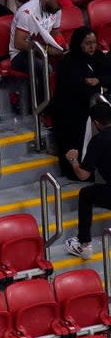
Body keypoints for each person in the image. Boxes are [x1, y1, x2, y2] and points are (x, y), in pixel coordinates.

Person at [52, 27, 111, 180]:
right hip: (72, 109)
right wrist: (98, 84)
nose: (92, 47)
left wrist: (99, 81)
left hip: (95, 104)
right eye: (87, 43)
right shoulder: (68, 62)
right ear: (79, 44)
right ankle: (79, 170)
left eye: (94, 43)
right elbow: (75, 86)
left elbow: (107, 75)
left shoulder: (98, 56)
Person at [8, 0, 66, 111]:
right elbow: (19, 43)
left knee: (68, 61)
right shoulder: (27, 12)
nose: (60, 8)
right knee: (45, 68)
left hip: (42, 50)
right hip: (19, 55)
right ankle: (42, 109)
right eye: (59, 3)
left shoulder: (56, 9)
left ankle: (61, 103)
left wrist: (63, 46)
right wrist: (46, 50)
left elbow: (55, 32)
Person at [65, 103, 111, 256]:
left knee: (86, 194)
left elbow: (83, 175)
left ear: (96, 123)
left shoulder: (99, 141)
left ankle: (84, 244)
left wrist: (73, 160)